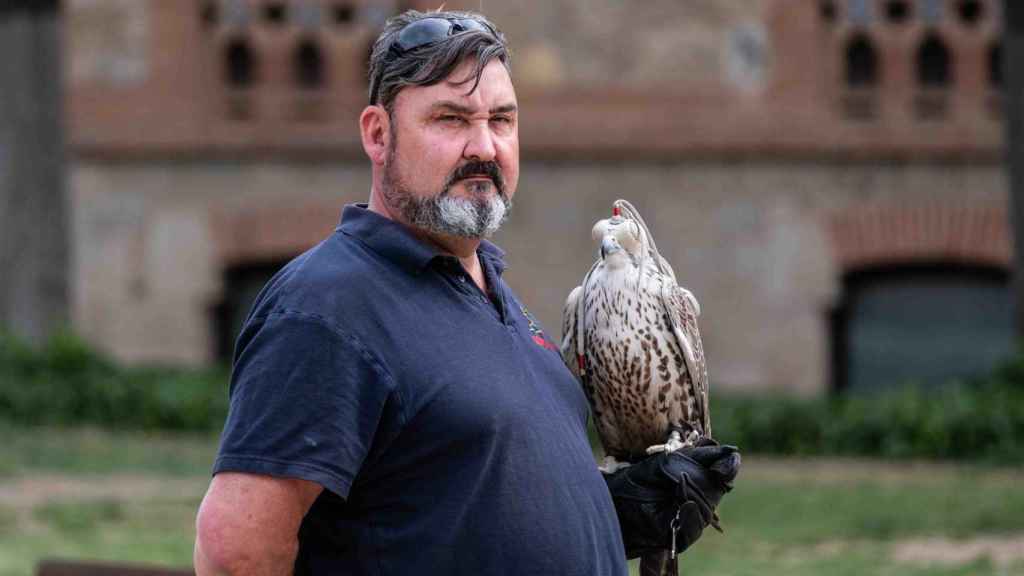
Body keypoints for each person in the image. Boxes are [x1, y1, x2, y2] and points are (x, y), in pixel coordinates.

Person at [194, 10, 736, 576]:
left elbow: (455, 510)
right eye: (451, 119)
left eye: (501, 120)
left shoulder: (494, 296)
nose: (484, 146)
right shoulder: (328, 306)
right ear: (379, 135)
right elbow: (235, 554)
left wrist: (611, 516)